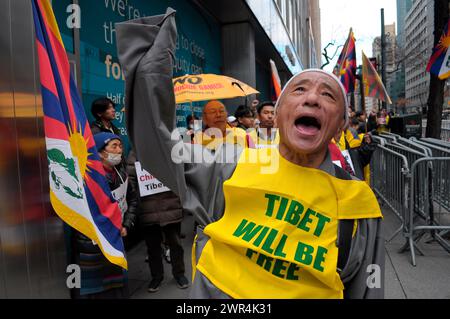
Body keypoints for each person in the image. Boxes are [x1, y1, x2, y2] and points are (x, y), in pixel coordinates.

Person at [116, 11, 383, 299]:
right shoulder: (230, 165)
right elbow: (157, 146)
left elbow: (367, 289)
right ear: (277, 115)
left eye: (328, 95)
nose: (312, 98)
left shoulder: (358, 204)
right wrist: (152, 62)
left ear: (341, 123)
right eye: (300, 90)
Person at [73, 132, 138, 299]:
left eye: (120, 146)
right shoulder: (86, 178)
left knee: (117, 285)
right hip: (92, 243)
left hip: (116, 238)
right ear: (100, 152)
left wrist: (126, 224)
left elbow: (133, 201)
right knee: (96, 288)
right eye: (114, 146)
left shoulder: (122, 174)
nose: (119, 150)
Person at [127, 150, 189, 293]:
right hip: (148, 207)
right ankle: (156, 277)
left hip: (170, 204)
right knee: (152, 246)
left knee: (175, 244)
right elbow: (130, 179)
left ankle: (179, 274)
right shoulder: (136, 152)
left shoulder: (168, 147)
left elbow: (183, 171)